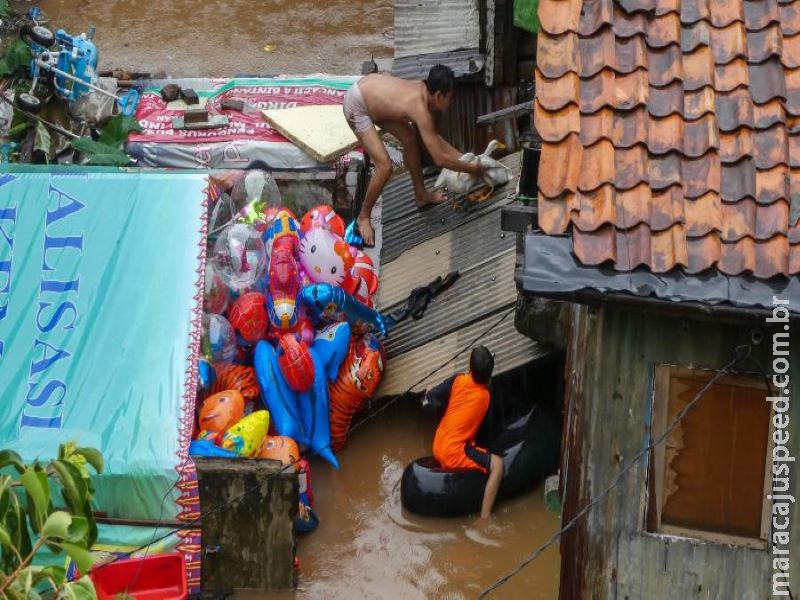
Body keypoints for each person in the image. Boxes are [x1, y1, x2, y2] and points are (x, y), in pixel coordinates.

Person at [342, 65, 487, 246]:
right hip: (357, 104)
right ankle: (363, 216)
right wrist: (473, 169)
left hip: (371, 95)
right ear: (439, 95)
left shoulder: (424, 93)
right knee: (384, 167)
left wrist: (467, 159)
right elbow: (439, 158)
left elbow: (436, 140)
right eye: (450, 98)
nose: (451, 104)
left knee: (409, 137)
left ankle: (421, 195)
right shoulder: (421, 110)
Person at [423, 345, 503, 519]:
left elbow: (432, 398)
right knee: (498, 466)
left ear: (469, 368)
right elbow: (488, 429)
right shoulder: (485, 397)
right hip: (454, 452)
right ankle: (485, 517)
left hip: (438, 444)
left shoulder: (457, 380)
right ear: (489, 376)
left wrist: (429, 391)